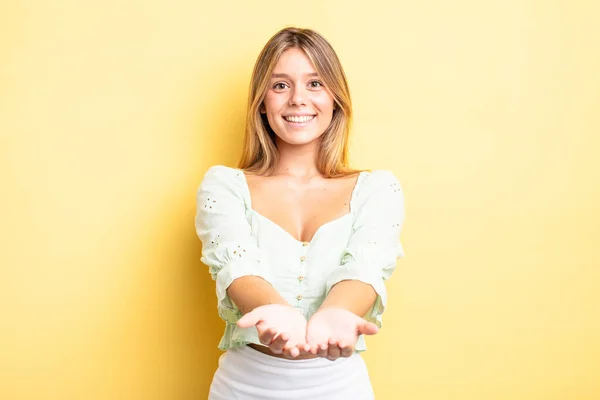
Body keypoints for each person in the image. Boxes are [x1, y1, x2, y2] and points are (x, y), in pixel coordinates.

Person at [195, 27, 405, 400]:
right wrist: (274, 312)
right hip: (244, 387)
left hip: (340, 388)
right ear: (261, 101)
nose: (297, 100)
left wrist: (335, 314)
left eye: (314, 84)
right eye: (280, 86)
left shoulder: (376, 188)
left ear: (335, 98)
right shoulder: (224, 185)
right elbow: (235, 265)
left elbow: (366, 267)